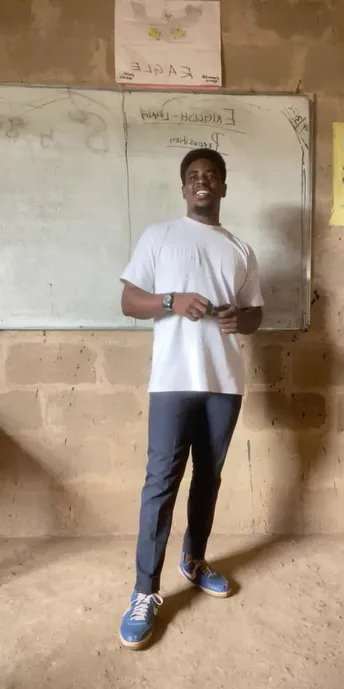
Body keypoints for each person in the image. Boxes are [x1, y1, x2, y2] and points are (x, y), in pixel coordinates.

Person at [119, 148, 264, 650]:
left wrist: (239, 318)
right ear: (184, 187)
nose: (203, 181)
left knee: (208, 478)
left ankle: (194, 559)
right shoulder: (159, 236)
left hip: (225, 382)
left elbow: (255, 315)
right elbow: (128, 300)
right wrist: (171, 301)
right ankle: (144, 591)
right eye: (194, 175)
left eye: (212, 175)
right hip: (172, 382)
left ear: (223, 187)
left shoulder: (241, 249)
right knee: (161, 483)